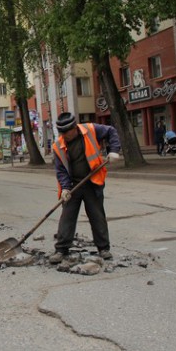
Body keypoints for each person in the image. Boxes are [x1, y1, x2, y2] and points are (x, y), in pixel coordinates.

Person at [49, 112, 121, 264]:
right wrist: (66, 188)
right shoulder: (58, 146)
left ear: (74, 128)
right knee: (67, 217)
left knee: (97, 216)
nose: (66, 136)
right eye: (63, 133)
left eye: (67, 132)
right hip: (73, 185)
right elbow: (61, 170)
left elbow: (111, 131)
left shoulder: (91, 129)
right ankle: (61, 249)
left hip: (92, 181)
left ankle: (103, 248)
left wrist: (113, 150)